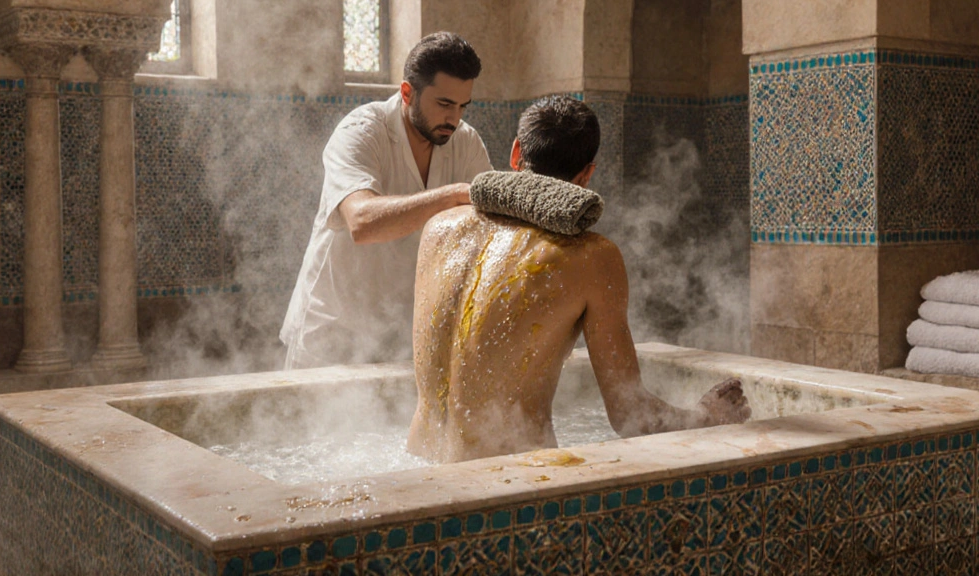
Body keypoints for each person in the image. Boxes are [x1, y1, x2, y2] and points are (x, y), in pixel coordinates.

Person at [408, 96, 750, 463]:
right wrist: (705, 417)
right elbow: (631, 417)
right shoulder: (591, 257)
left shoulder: (439, 227)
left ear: (515, 153)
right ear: (587, 174)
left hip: (418, 465)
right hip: (507, 484)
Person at [280, 33, 493, 369]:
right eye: (444, 104)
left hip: (402, 338)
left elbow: (489, 231)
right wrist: (452, 195)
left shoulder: (465, 142)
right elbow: (362, 222)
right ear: (407, 93)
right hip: (333, 335)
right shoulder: (361, 130)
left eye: (463, 106)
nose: (454, 118)